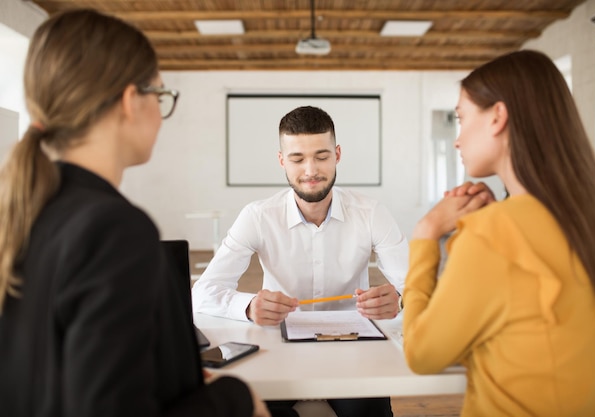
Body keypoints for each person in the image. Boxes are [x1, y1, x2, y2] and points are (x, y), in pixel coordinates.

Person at [0, 9, 269, 417]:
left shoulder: (22, 213)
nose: (161, 113)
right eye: (160, 96)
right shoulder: (113, 229)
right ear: (131, 100)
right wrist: (235, 399)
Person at [403, 49, 595, 416]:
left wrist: (426, 234)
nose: (457, 140)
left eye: (461, 119)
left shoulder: (493, 232)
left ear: (498, 117)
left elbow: (422, 353)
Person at [192, 105, 407, 417]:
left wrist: (400, 300)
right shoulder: (257, 216)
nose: (311, 170)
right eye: (297, 159)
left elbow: (417, 288)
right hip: (275, 349)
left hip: (354, 351)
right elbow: (202, 293)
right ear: (282, 160)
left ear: (337, 155)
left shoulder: (372, 213)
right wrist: (249, 306)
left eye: (322, 156)